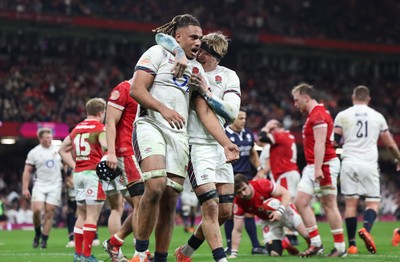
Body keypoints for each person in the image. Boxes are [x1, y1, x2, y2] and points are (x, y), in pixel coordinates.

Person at [129, 14, 238, 262]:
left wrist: (226, 142)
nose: (199, 41)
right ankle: (139, 252)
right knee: (155, 185)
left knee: (170, 198)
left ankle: (160, 258)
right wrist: (164, 109)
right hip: (151, 124)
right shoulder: (157, 52)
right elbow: (136, 89)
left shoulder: (197, 69)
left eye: (200, 37)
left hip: (179, 135)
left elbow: (204, 113)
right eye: (194, 37)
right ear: (178, 37)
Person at [155, 31, 241, 262]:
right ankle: (220, 259)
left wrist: (207, 91)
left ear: (215, 56)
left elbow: (231, 113)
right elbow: (161, 37)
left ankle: (186, 252)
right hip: (196, 144)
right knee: (210, 206)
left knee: (224, 212)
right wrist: (177, 52)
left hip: (220, 145)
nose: (198, 53)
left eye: (204, 51)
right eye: (198, 48)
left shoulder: (229, 76)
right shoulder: (190, 68)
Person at [333, 85, 400, 254]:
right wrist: (399, 159)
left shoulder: (343, 115)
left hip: (348, 162)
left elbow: (334, 141)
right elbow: (390, 144)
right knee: (373, 202)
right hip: (368, 163)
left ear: (352, 97)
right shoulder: (377, 117)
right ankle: (366, 230)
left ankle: (353, 245)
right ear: (368, 98)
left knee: (350, 204)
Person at [291, 83, 346, 257]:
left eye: (296, 100)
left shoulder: (318, 115)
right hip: (314, 165)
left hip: (324, 165)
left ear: (306, 97)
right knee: (300, 202)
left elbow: (321, 143)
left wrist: (317, 169)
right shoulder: (315, 114)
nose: (295, 104)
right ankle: (316, 244)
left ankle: (340, 248)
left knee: (329, 205)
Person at [101, 79, 147, 262]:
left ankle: (115, 241)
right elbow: (110, 122)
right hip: (126, 152)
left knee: (142, 206)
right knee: (142, 204)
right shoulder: (123, 89)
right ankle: (141, 253)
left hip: (141, 152)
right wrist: (111, 152)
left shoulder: (146, 90)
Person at [59, 97, 107, 262]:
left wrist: (74, 165)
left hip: (78, 174)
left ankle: (78, 255)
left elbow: (62, 150)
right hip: (92, 175)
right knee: (92, 216)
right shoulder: (100, 128)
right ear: (101, 112)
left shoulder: (77, 128)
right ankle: (87, 256)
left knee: (82, 214)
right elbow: (106, 148)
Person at [229, 174, 309, 258]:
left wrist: (279, 211)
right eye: (239, 193)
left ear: (249, 183)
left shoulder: (262, 184)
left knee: (307, 235)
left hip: (284, 211)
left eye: (244, 189)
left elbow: (286, 193)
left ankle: (318, 247)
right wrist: (234, 253)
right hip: (268, 220)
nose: (243, 194)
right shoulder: (238, 202)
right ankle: (285, 243)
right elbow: (237, 229)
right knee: (274, 254)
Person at [224, 109, 266, 255]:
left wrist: (259, 168)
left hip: (246, 178)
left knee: (249, 212)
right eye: (240, 118)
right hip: (230, 178)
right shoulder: (224, 133)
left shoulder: (248, 133)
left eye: (245, 118)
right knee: (229, 213)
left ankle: (256, 246)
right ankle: (229, 246)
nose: (244, 121)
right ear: (232, 119)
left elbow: (252, 152)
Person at [258, 119, 301, 244]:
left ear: (276, 128)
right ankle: (292, 234)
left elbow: (262, 138)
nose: (270, 132)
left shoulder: (281, 135)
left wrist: (266, 127)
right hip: (289, 172)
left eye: (272, 130)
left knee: (286, 203)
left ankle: (292, 235)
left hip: (285, 173)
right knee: (289, 203)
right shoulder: (288, 136)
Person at [22, 127, 63, 249]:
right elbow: (27, 171)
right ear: (40, 138)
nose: (49, 140)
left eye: (50, 137)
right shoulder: (34, 152)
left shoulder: (58, 150)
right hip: (40, 184)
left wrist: (69, 178)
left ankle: (44, 240)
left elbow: (65, 164)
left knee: (49, 212)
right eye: (46, 137)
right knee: (37, 211)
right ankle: (37, 233)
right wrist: (25, 188)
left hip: (55, 185)